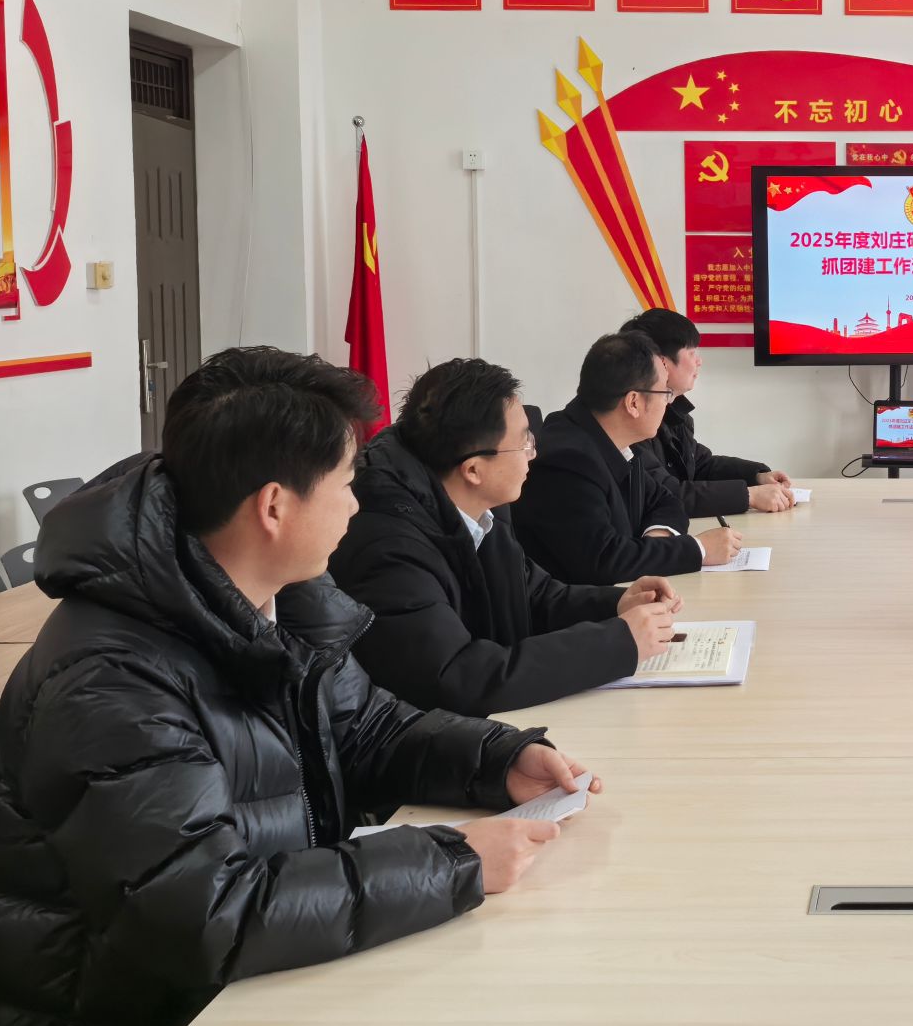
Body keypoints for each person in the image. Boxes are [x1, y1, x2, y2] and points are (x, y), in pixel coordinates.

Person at [0, 347, 601, 1026]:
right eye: (347, 485)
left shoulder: (278, 597)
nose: (357, 507)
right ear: (274, 506)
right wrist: (451, 860)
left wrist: (498, 759)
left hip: (252, 987)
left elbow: (369, 727)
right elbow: (206, 912)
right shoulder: (110, 683)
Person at [328, 357, 682, 718]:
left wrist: (618, 604)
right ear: (473, 470)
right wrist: (618, 644)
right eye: (523, 443)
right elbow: (457, 677)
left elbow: (535, 595)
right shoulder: (388, 546)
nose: (534, 453)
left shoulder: (485, 507)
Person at [514, 331, 742, 584]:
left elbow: (666, 501)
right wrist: (699, 549)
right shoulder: (566, 461)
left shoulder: (612, 440)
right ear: (633, 402)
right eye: (664, 392)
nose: (668, 403)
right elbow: (605, 562)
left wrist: (656, 543)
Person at [621, 307, 793, 516]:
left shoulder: (673, 410)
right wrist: (749, 496)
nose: (699, 361)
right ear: (661, 362)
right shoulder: (632, 420)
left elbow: (700, 465)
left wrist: (757, 476)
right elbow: (663, 493)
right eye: (692, 353)